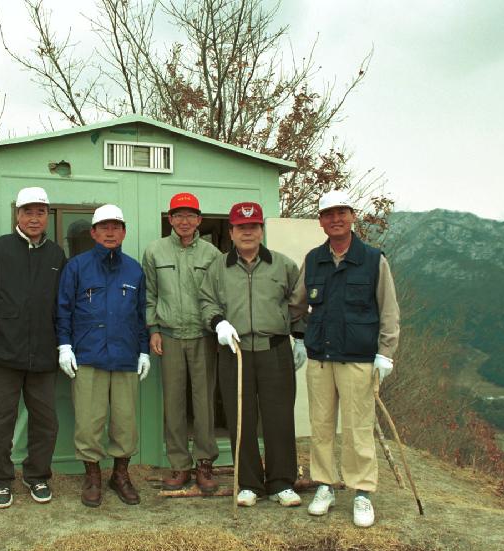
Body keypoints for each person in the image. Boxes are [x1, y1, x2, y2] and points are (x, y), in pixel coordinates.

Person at [290, 189, 400, 528]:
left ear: (353, 216)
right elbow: (296, 304)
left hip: (358, 358)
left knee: (357, 427)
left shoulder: (373, 259)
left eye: (342, 212)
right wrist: (297, 337)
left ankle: (362, 492)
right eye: (328, 214)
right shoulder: (314, 259)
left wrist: (385, 352)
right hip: (321, 357)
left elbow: (389, 310)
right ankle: (325, 485)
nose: (335, 219)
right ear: (321, 221)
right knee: (321, 426)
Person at [199, 202, 307, 507]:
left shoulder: (283, 265)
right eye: (241, 227)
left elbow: (298, 305)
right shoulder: (218, 268)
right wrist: (217, 322)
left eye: (254, 226)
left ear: (261, 230)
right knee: (240, 417)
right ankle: (247, 483)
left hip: (275, 351)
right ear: (231, 232)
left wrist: (299, 339)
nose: (248, 232)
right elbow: (207, 301)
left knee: (279, 417)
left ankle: (281, 483)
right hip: (235, 352)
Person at [0, 186, 67, 509]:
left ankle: (36, 475)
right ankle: (0, 480)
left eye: (41, 212)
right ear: (18, 215)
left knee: (46, 421)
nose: (35, 218)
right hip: (4, 353)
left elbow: (62, 305)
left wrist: (64, 344)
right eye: (29, 211)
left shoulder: (56, 256)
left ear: (47, 216)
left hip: (44, 353)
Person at [56, 204, 150, 507]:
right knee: (88, 422)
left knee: (125, 422)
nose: (110, 233)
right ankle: (93, 476)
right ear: (93, 233)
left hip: (125, 356)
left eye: (116, 227)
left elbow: (141, 314)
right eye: (104, 227)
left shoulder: (134, 269)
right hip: (88, 356)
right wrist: (64, 345)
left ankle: (120, 475)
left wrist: (144, 350)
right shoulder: (77, 267)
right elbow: (63, 309)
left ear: (124, 232)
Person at [142, 192, 222, 493]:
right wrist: (153, 329)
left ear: (199, 220)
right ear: (170, 219)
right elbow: (149, 294)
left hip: (203, 336)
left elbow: (218, 295)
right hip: (171, 335)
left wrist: (217, 331)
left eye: (190, 215)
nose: (184, 221)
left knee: (204, 402)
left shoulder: (212, 254)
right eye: (178, 215)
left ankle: (204, 463)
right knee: (173, 403)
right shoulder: (155, 251)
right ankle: (179, 465)